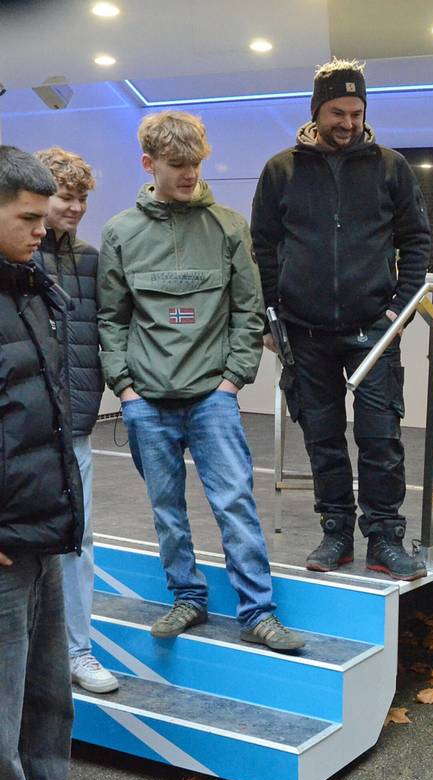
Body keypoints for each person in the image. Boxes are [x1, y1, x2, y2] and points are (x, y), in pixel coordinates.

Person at [98, 111, 303, 652]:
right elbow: (112, 319)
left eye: (196, 164)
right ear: (149, 164)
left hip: (213, 397)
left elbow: (248, 311)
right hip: (147, 400)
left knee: (234, 502)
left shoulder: (229, 227)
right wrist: (125, 388)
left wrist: (233, 381)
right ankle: (187, 598)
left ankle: (257, 611)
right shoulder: (121, 232)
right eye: (177, 165)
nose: (190, 175)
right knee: (167, 508)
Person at [251, 57, 432, 581]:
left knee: (380, 437)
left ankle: (385, 539)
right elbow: (263, 245)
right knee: (322, 437)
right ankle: (335, 534)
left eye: (356, 112)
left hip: (374, 326)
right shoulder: (281, 169)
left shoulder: (391, 167)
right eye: (337, 111)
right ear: (317, 111)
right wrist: (271, 316)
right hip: (303, 331)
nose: (348, 122)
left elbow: (416, 240)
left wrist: (401, 308)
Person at [0, 145, 105, 780]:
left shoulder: (32, 287)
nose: (44, 230)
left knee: (46, 693)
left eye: (46, 216)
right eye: (28, 218)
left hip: (43, 526)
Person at [33, 146, 117, 694]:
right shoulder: (17, 259)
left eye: (83, 197)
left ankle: (77, 652)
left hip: (77, 428)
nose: (78, 207)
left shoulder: (89, 259)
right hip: (24, 429)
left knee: (80, 541)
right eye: (67, 196)